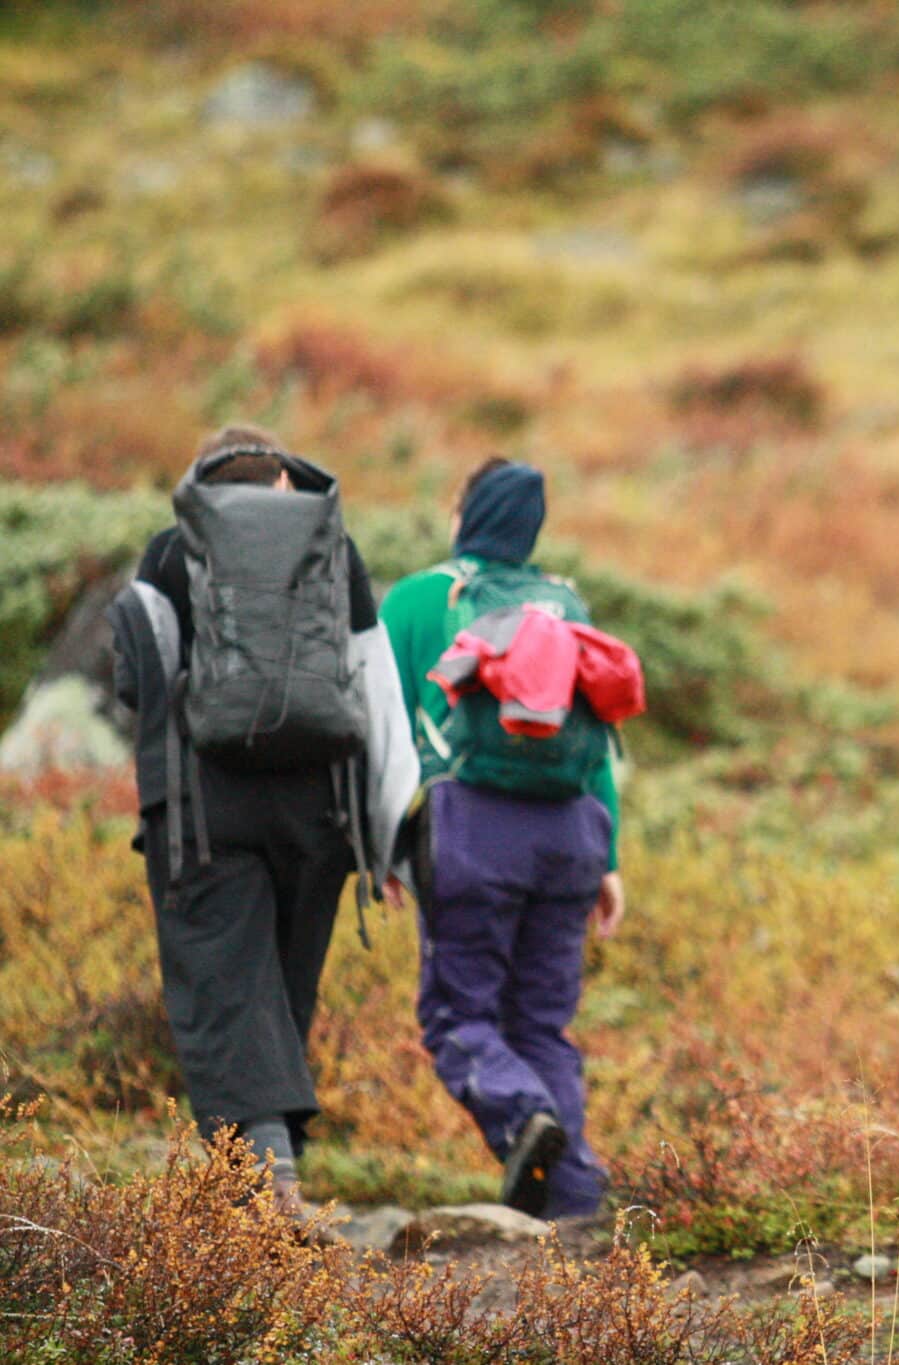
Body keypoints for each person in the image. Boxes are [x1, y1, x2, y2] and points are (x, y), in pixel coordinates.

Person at [107, 425, 416, 1215]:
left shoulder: (171, 553)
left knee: (227, 987)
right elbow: (376, 696)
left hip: (205, 812)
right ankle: (267, 1185)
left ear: (203, 483)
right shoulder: (331, 551)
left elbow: (138, 680)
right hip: (320, 813)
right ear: (282, 481)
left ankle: (268, 1182)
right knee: (283, 989)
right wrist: (385, 842)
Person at [380, 458, 629, 1220]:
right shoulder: (566, 601)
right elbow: (600, 743)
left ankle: (527, 1120)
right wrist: (609, 860)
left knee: (460, 1019)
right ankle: (575, 1199)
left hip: (472, 830)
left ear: (465, 512)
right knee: (539, 1022)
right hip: (574, 831)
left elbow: (380, 730)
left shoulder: (422, 597)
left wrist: (378, 842)